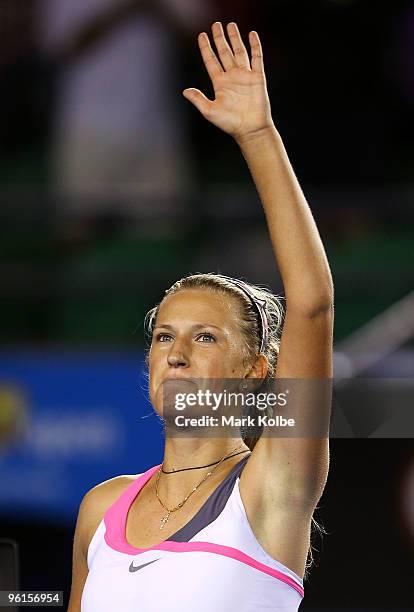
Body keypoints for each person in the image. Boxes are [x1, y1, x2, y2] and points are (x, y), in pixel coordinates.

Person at [68, 21, 334, 612]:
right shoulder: (100, 508)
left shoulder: (271, 486)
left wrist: (258, 134)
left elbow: (311, 302)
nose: (176, 352)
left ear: (254, 369)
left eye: (205, 336)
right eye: (164, 336)